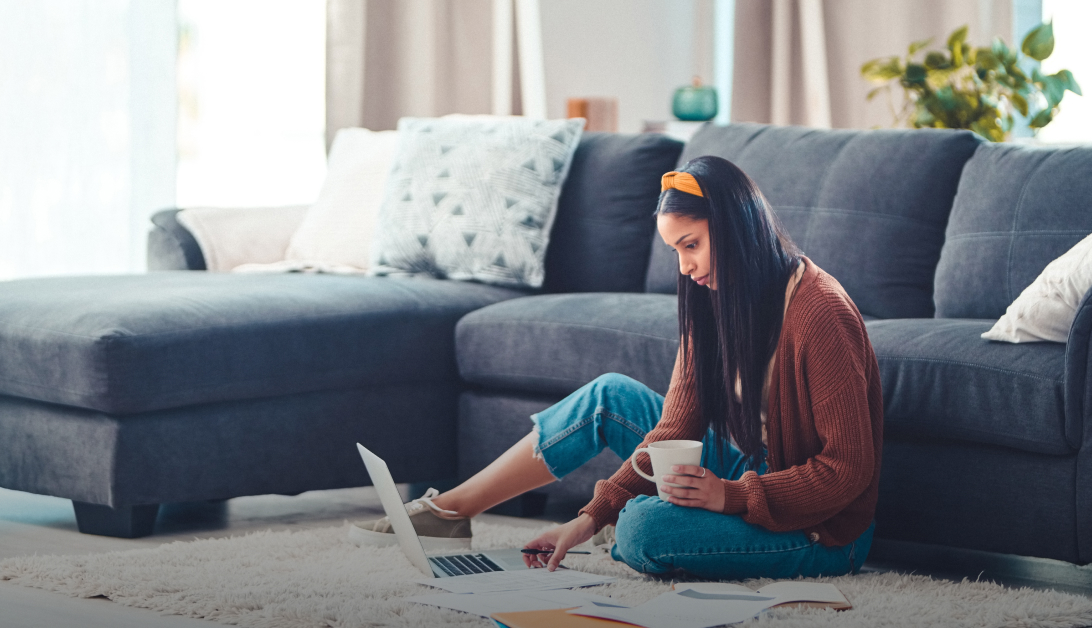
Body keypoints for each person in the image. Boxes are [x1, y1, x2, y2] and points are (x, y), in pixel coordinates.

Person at [353, 156, 884, 580]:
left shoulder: (820, 311)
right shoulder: (714, 300)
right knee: (609, 397)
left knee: (643, 531)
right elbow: (674, 430)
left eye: (691, 245)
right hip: (751, 468)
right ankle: (451, 511)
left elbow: (847, 470)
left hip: (822, 526)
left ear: (738, 229)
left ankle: (649, 525)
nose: (685, 267)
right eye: (675, 250)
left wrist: (731, 496)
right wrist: (587, 520)